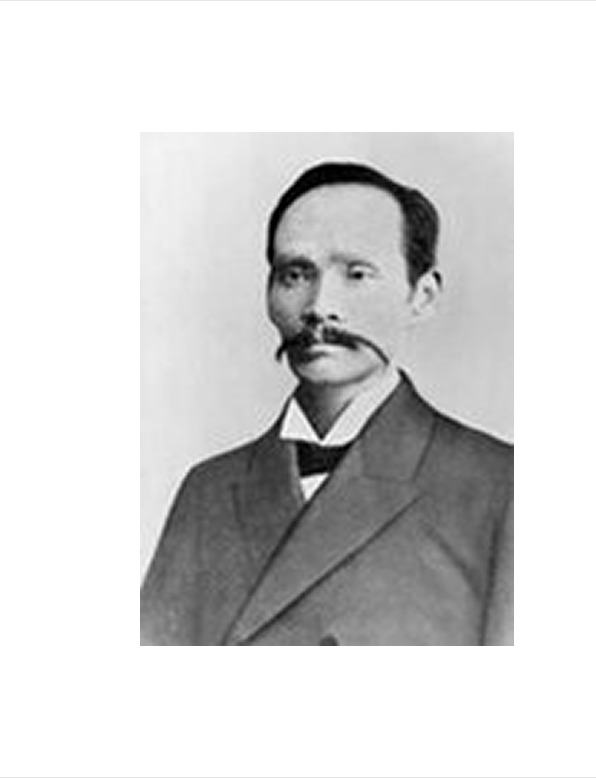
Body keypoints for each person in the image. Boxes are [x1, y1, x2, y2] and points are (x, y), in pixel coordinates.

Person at [141, 161, 513, 646]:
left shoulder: (499, 486)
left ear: (421, 296)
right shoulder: (207, 491)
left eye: (356, 274)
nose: (319, 307)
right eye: (295, 275)